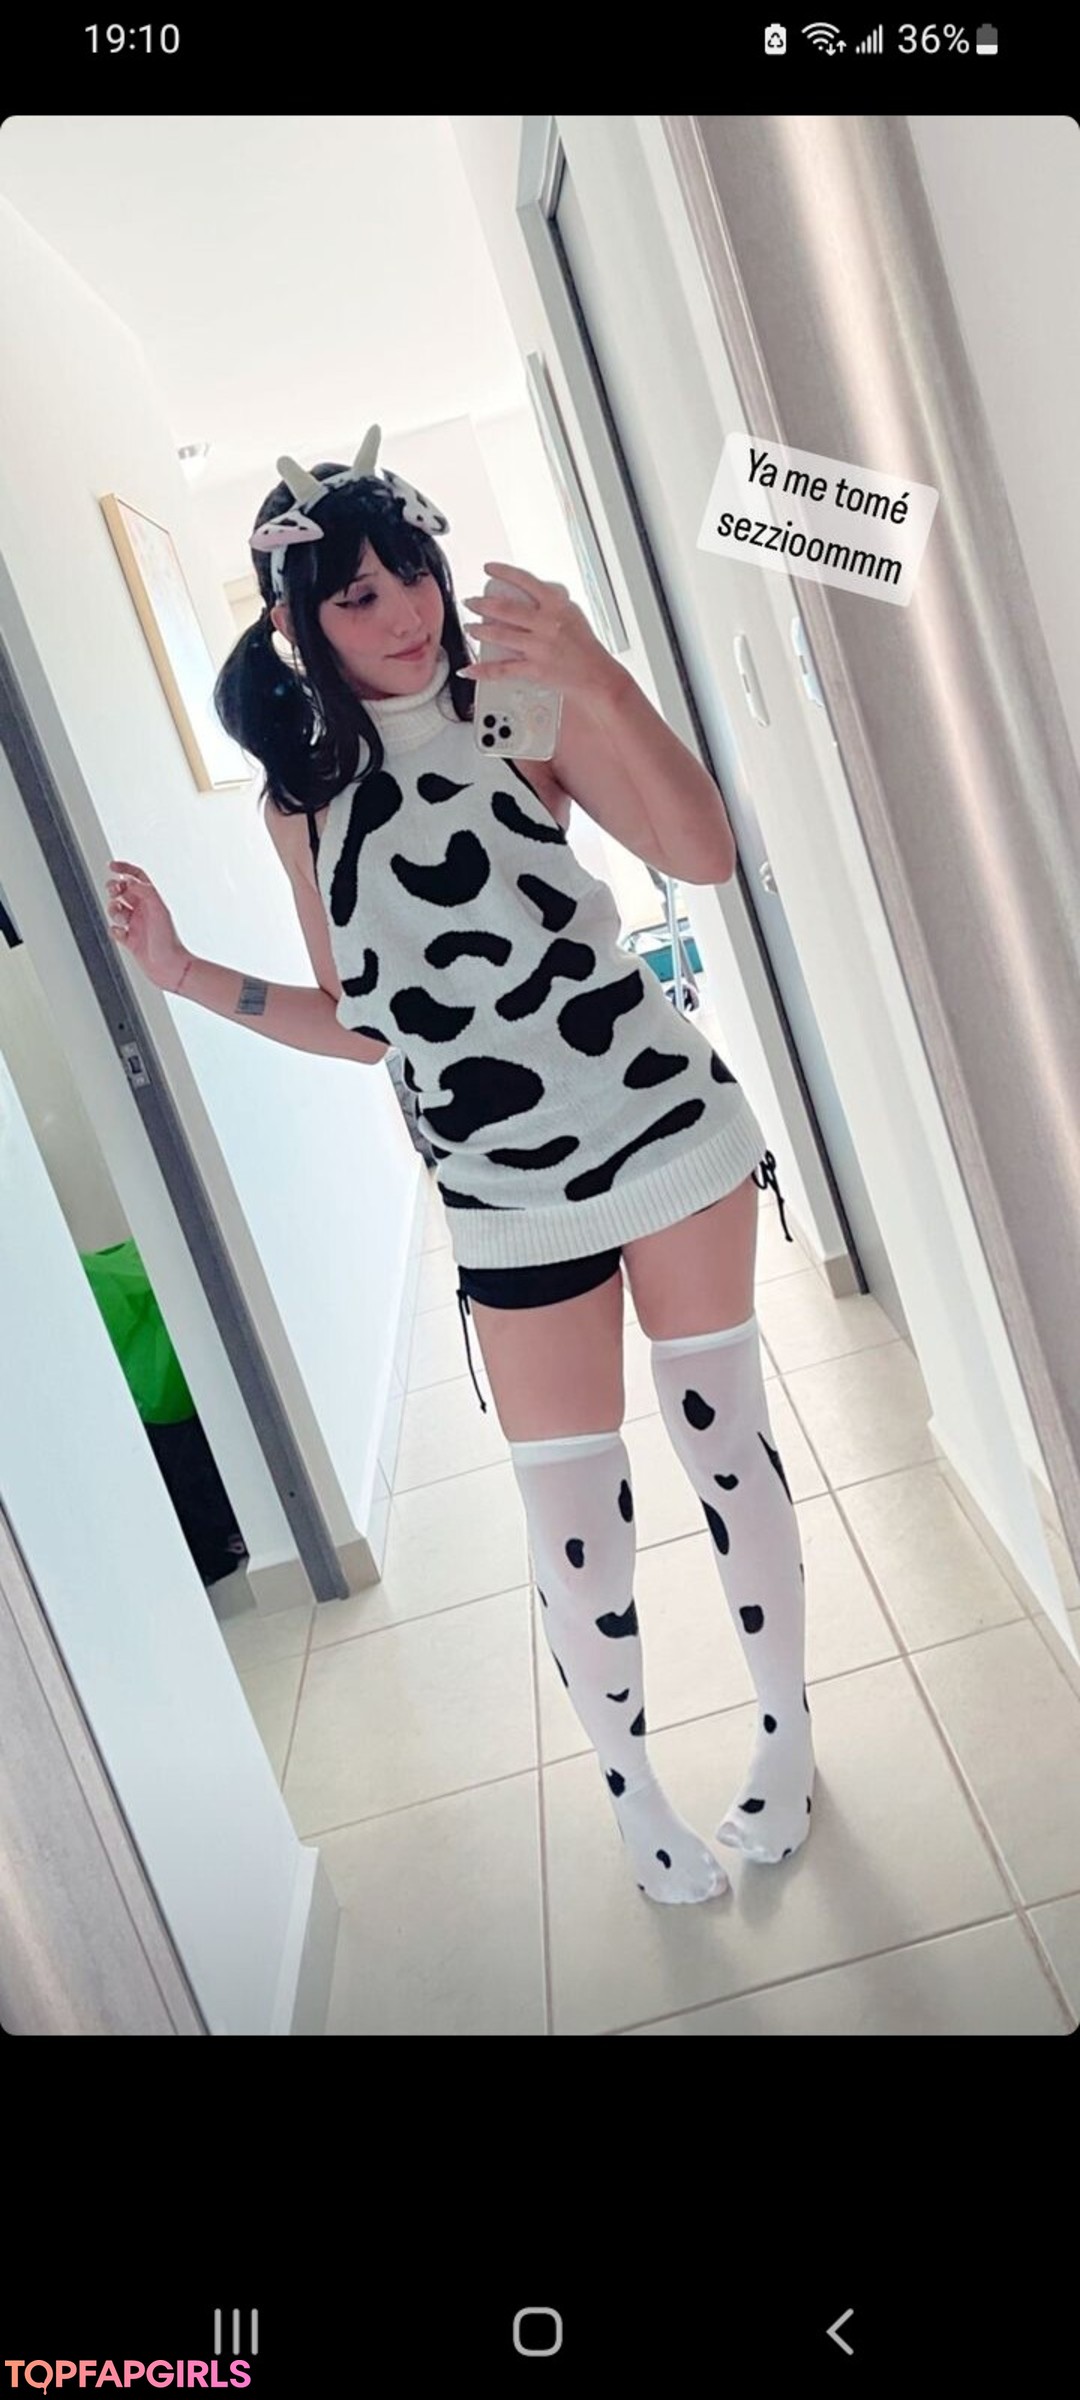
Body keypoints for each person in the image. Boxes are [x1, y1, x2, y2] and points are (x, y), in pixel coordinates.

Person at [104, 425, 812, 1906]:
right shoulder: (303, 798)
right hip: (500, 1191)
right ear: (300, 619)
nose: (406, 612)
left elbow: (699, 852)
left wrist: (599, 674)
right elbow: (368, 1024)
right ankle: (635, 1803)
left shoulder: (508, 710)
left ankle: (787, 1738)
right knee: (574, 1516)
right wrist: (184, 976)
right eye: (357, 595)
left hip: (666, 1128)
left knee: (726, 1447)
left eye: (411, 574)